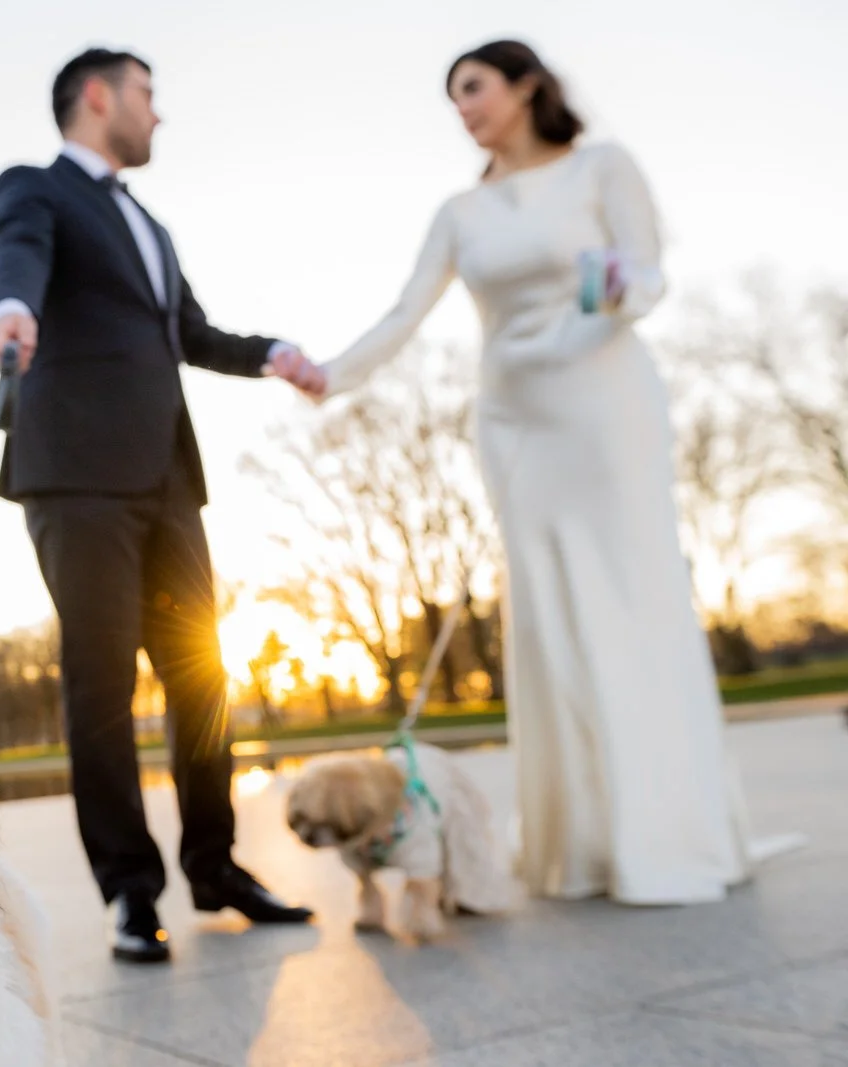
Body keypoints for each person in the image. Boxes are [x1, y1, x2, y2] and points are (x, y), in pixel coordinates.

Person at [311, 40, 799, 904]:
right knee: (548, 620)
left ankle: (664, 835)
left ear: (526, 84)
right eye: (452, 99)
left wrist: (620, 288)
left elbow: (648, 272)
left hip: (603, 401)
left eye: (473, 89)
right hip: (512, 416)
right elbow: (405, 308)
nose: (463, 109)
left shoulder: (603, 167)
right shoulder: (461, 211)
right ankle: (578, 846)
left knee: (630, 599)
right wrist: (331, 372)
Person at [0, 47, 321, 962]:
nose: (157, 114)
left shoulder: (151, 227)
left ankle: (216, 870)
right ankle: (131, 894)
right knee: (101, 685)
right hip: (78, 476)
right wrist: (9, 307)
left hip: (168, 480)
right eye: (146, 94)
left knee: (202, 675)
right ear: (98, 97)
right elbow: (18, 252)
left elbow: (192, 335)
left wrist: (275, 353)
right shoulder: (36, 187)